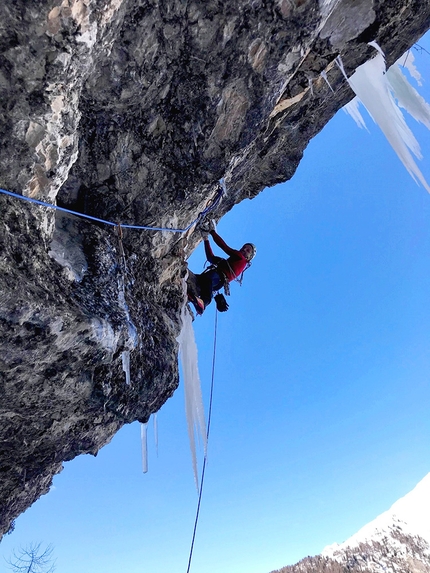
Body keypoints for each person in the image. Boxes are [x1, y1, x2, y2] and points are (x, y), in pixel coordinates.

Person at [187, 220, 256, 315]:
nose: (244, 249)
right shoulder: (225, 263)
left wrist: (212, 232)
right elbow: (211, 258)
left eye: (248, 250)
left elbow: (224, 247)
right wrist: (206, 239)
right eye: (244, 247)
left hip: (217, 277)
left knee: (206, 279)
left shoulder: (241, 258)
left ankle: (203, 302)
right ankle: (194, 297)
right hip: (217, 282)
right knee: (194, 279)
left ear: (249, 257)